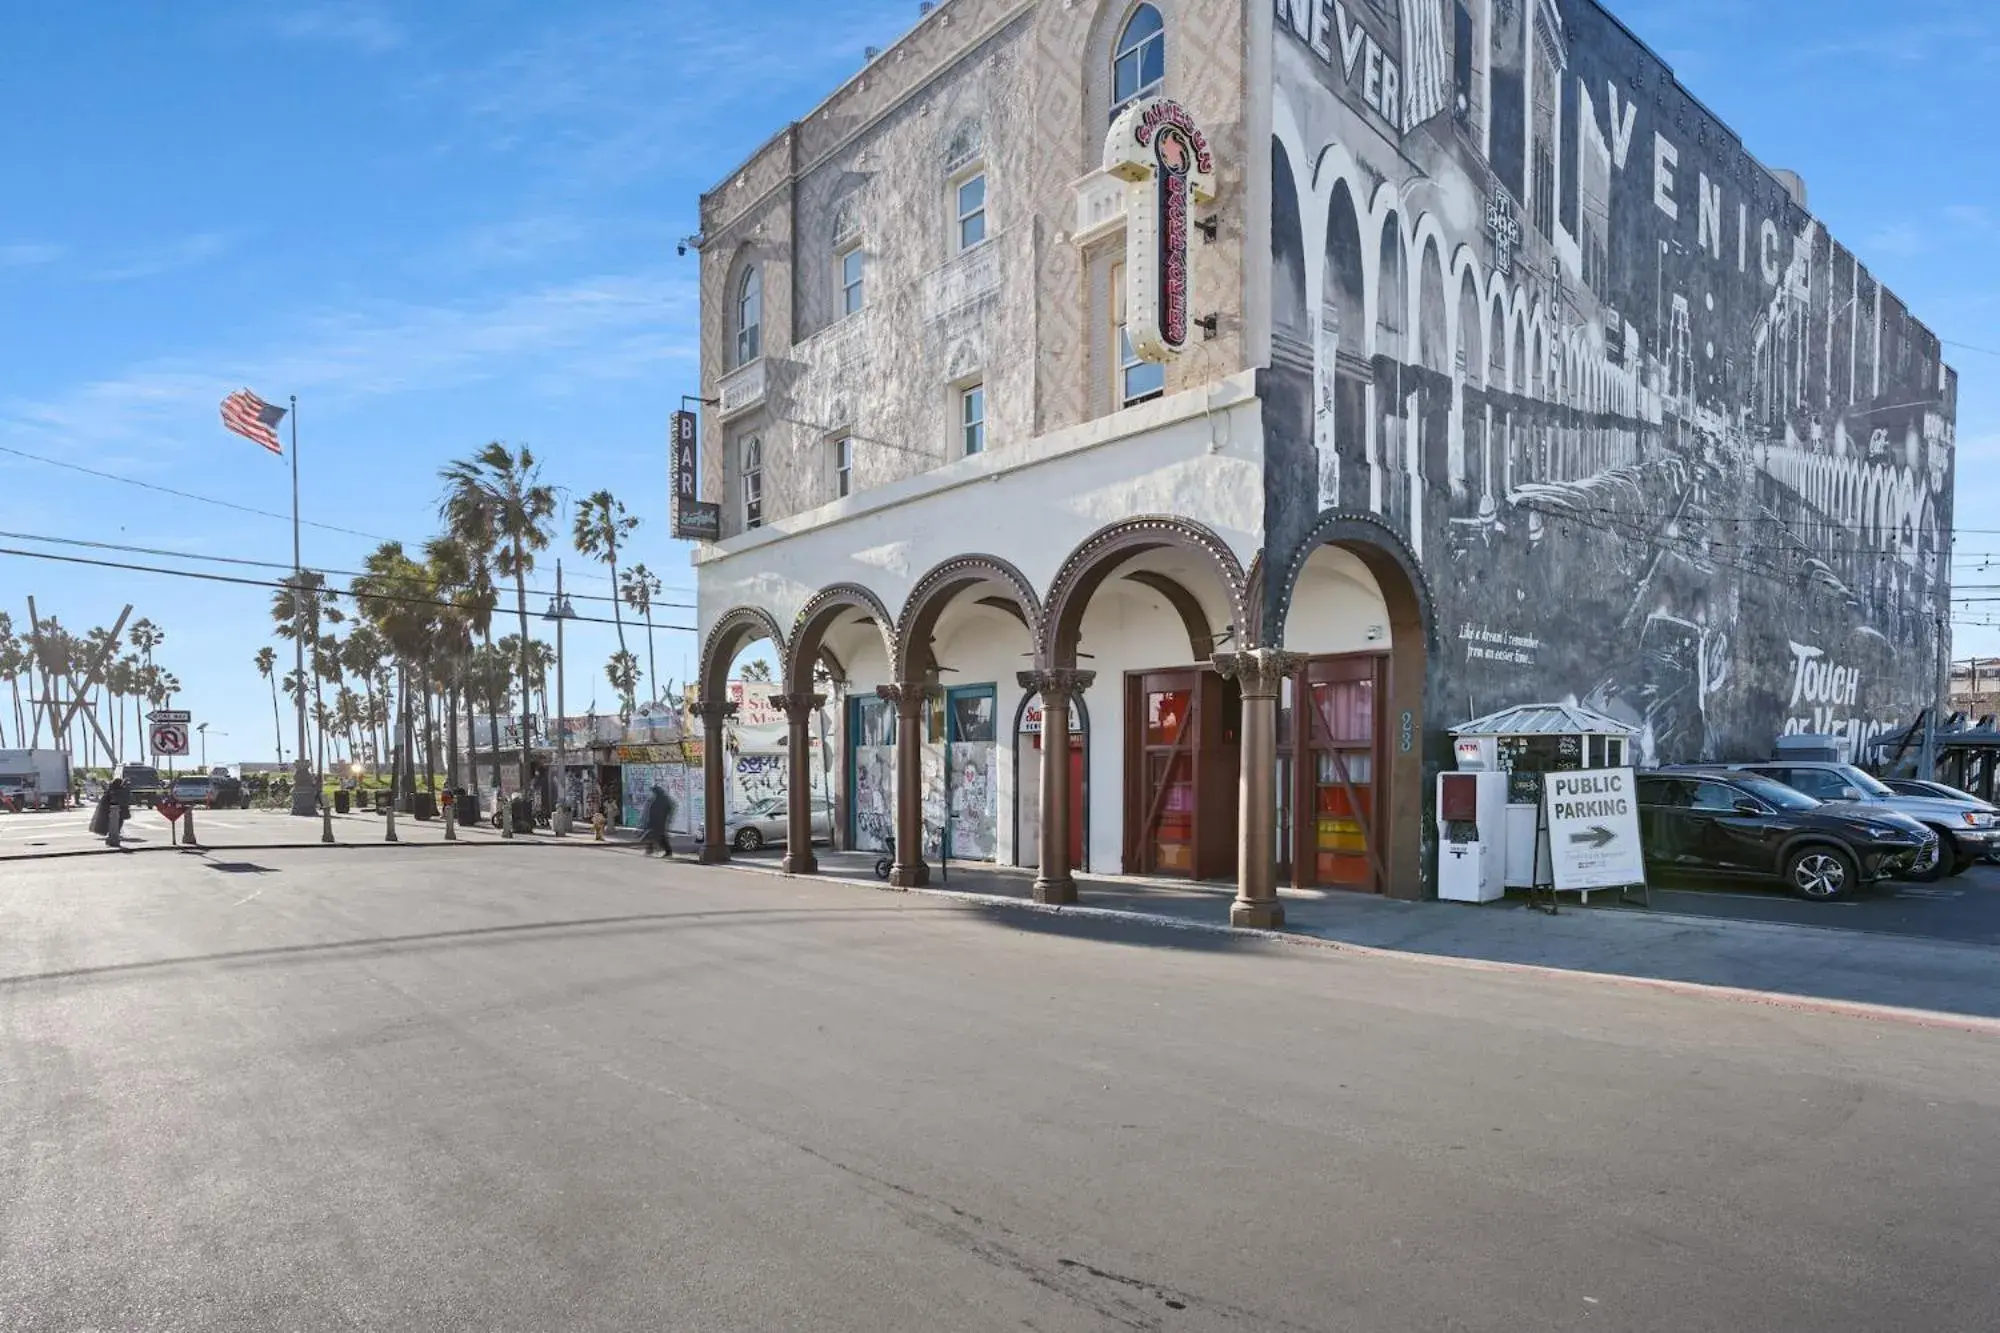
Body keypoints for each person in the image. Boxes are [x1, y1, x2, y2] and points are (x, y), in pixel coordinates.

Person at [91, 777, 132, 848]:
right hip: (118, 811)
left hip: (114, 810)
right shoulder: (118, 790)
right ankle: (114, 836)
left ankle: (114, 835)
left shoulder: (112, 790)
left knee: (115, 823)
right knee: (117, 823)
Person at [640, 784, 676, 858]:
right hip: (654, 820)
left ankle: (667, 852)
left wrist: (667, 818)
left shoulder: (663, 799)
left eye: (653, 791)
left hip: (660, 821)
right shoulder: (655, 798)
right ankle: (650, 849)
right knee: (653, 835)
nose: (652, 793)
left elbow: (669, 809)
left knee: (660, 836)